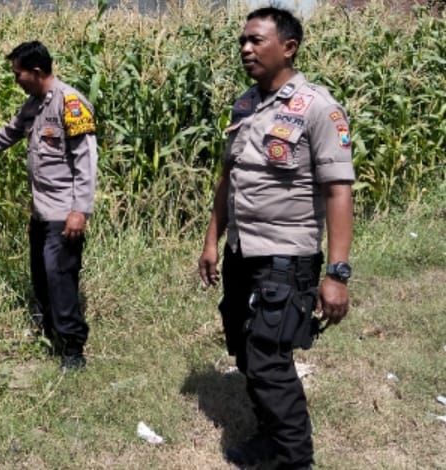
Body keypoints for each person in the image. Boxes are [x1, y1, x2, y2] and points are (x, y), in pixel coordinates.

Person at [198, 8, 354, 469]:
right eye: (242, 41)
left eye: (256, 41)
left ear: (288, 48)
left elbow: (339, 191)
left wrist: (337, 273)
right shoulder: (245, 105)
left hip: (285, 257)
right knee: (245, 351)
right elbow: (228, 178)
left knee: (269, 359)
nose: (246, 49)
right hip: (242, 250)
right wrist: (212, 240)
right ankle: (269, 438)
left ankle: (294, 460)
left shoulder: (318, 107)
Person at [0, 41, 98, 371]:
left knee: (60, 277)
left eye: (18, 74)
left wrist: (79, 211)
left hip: (63, 212)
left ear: (36, 72)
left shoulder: (70, 103)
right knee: (42, 276)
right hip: (41, 210)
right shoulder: (35, 105)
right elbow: (8, 134)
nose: (16, 80)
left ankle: (73, 350)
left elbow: (86, 161)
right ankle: (50, 337)